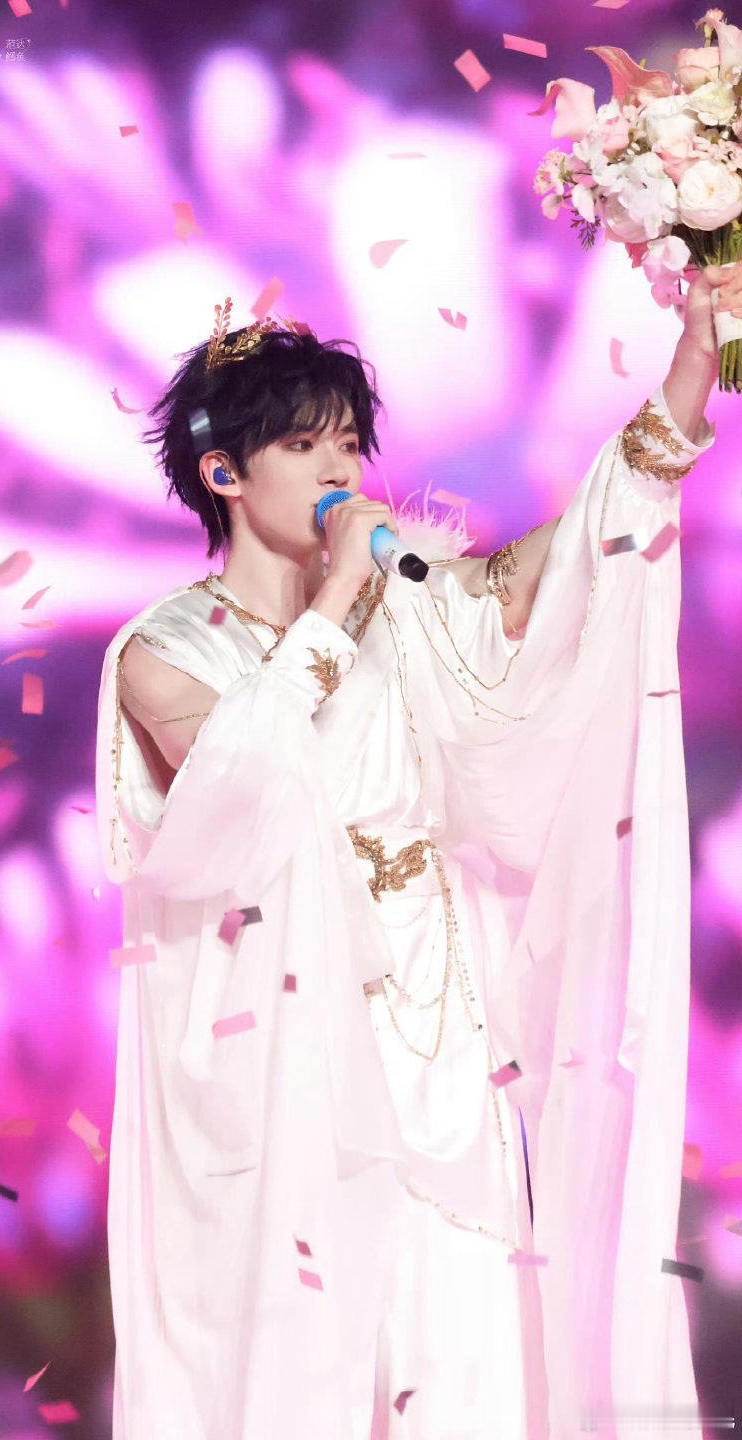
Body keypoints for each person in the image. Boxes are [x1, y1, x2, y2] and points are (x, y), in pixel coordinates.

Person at [95, 267, 738, 1439]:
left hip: (432, 1024)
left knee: (457, 1323)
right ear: (224, 473)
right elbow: (240, 796)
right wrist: (341, 594)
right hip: (279, 1039)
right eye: (304, 446)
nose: (339, 471)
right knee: (310, 1334)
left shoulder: (411, 600)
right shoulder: (162, 652)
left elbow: (569, 562)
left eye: (349, 444)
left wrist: (691, 370)